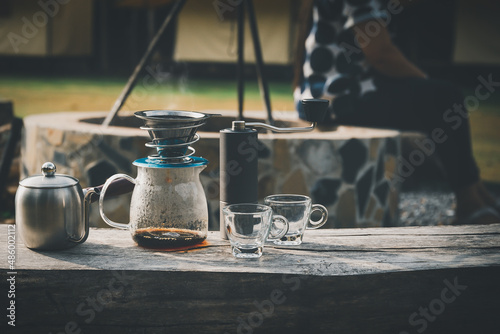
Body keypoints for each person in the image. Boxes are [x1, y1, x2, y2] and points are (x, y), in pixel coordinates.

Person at [294, 0, 500, 225]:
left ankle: (476, 192)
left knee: (439, 98)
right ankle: (469, 202)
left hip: (328, 96)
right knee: (445, 99)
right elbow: (381, 54)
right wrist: (426, 84)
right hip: (338, 99)